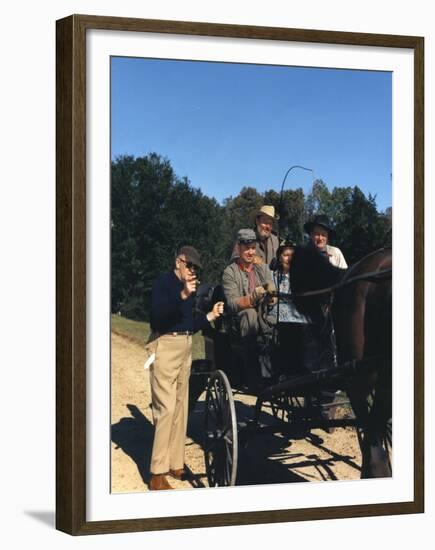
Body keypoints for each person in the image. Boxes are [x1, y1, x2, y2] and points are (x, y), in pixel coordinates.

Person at [148, 245, 224, 490]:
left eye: (195, 268)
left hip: (185, 347)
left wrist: (210, 316)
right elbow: (157, 317)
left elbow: (188, 323)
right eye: (189, 266)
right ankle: (157, 474)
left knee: (181, 407)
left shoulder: (188, 290)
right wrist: (182, 294)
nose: (193, 271)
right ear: (179, 262)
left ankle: (175, 463)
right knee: (166, 409)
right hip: (165, 345)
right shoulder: (164, 283)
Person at [222, 228, 275, 386]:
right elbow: (232, 304)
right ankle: (253, 373)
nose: (250, 252)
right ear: (238, 248)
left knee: (279, 317)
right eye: (247, 248)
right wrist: (252, 298)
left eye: (253, 248)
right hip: (239, 323)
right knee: (250, 314)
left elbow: (272, 291)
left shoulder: (263, 268)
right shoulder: (230, 272)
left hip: (264, 316)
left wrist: (272, 294)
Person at [267, 239, 311, 377]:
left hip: (298, 313)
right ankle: (286, 369)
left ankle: (304, 367)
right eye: (286, 255)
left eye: (293, 256)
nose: (289, 259)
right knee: (285, 326)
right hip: (280, 312)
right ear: (279, 258)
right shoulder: (272, 276)